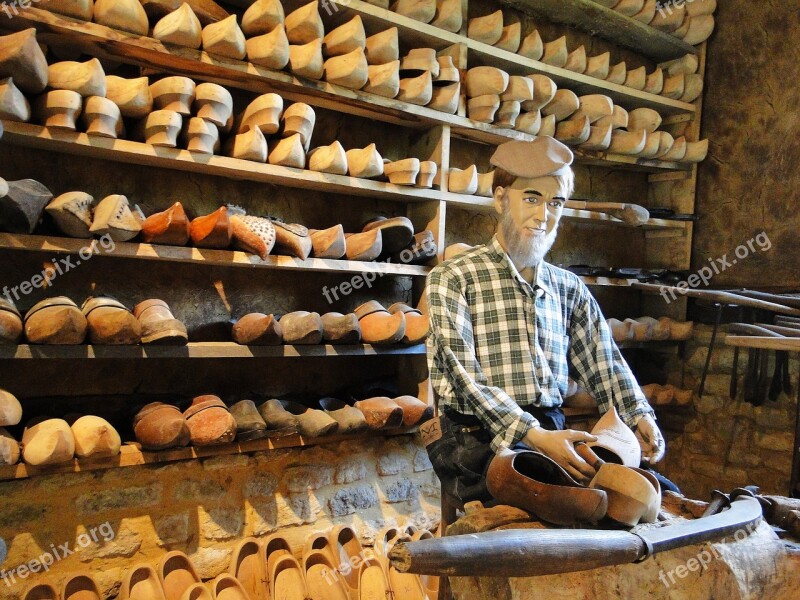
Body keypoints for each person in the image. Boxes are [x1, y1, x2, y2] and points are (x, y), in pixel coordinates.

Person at [425, 136, 665, 507]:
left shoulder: (567, 287)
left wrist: (638, 414)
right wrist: (533, 435)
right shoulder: (454, 277)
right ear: (501, 198)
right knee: (561, 503)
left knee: (646, 493)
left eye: (555, 203)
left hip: (551, 429)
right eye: (532, 198)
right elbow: (465, 378)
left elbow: (605, 361)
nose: (544, 215)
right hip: (474, 435)